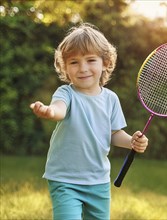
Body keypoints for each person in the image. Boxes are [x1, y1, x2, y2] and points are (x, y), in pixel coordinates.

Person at [30, 23, 149, 220]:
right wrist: (49, 111)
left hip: (98, 180)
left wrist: (131, 142)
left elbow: (114, 134)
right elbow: (59, 109)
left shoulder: (110, 99)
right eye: (74, 62)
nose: (83, 68)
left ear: (105, 63)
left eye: (90, 60)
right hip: (64, 179)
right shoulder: (66, 93)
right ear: (65, 68)